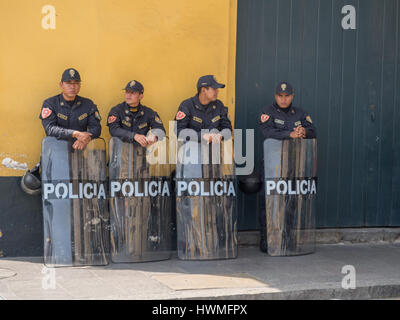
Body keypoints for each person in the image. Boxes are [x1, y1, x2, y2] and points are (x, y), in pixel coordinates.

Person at [257, 81, 317, 253]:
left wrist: (303, 132)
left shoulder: (299, 113)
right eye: (280, 96)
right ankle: (267, 238)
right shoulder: (267, 112)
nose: (283, 99)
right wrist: (289, 134)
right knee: (269, 203)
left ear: (292, 96)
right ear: (275, 96)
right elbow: (267, 132)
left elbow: (313, 130)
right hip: (272, 165)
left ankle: (288, 237)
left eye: (287, 96)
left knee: (290, 202)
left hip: (293, 165)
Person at [39, 68, 102, 150]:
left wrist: (86, 138)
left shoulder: (88, 104)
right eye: (68, 83)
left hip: (80, 150)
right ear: (61, 85)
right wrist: (74, 133)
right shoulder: (50, 103)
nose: (72, 87)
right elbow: (50, 129)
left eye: (76, 83)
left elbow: (96, 128)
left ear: (80, 85)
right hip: (56, 151)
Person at [175, 75, 232, 143]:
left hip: (212, 145)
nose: (217, 91)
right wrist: (202, 136)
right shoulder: (187, 105)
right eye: (214, 89)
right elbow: (179, 131)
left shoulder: (219, 105)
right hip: (192, 144)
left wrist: (221, 135)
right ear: (203, 90)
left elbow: (228, 129)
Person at [107, 80, 165, 147]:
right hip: (121, 154)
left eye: (133, 93)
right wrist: (134, 136)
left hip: (141, 154)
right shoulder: (116, 110)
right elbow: (114, 130)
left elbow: (160, 130)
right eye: (127, 92)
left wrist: (155, 136)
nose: (128, 95)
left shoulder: (148, 113)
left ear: (141, 96)